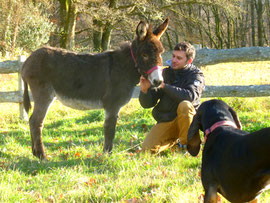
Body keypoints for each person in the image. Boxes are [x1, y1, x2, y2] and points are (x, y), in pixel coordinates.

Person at [139, 42, 205, 154]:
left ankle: (185, 146)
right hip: (167, 119)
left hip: (187, 122)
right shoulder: (164, 73)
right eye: (173, 56)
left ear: (188, 61)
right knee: (146, 150)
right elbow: (148, 104)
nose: (174, 60)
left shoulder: (196, 75)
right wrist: (144, 91)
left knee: (185, 105)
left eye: (179, 58)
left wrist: (164, 86)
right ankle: (174, 141)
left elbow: (190, 97)